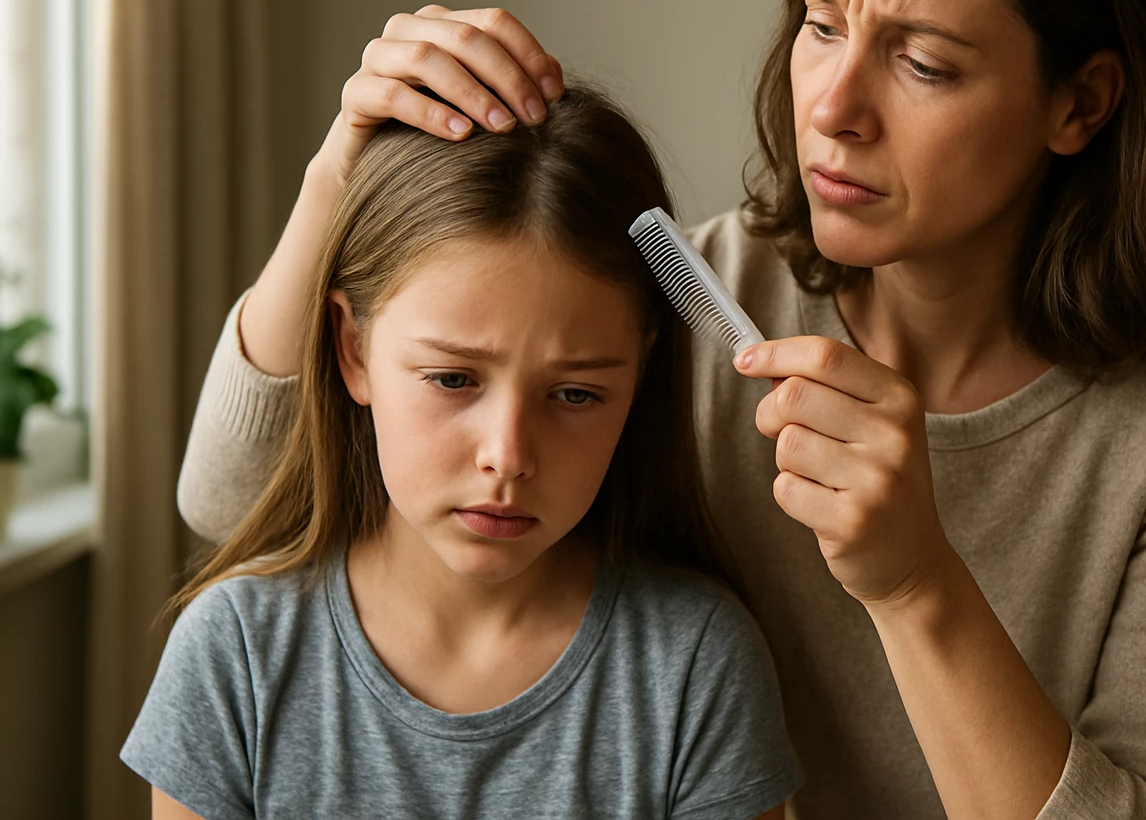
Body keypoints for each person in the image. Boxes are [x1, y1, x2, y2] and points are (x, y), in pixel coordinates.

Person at [178, 0, 1146, 817]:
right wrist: (339, 176)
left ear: (1082, 101)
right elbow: (237, 501)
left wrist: (918, 583)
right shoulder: (701, 294)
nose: (832, 106)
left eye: (922, 62)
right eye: (821, 23)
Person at [126, 89, 799, 820]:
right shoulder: (236, 656)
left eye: (575, 395)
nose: (507, 457)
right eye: (452, 379)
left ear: (639, 376)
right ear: (354, 350)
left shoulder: (696, 665)